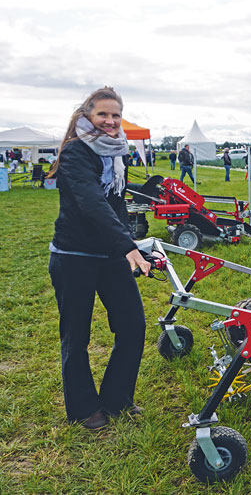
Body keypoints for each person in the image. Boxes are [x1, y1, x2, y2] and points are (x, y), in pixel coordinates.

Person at [46, 86, 151, 431]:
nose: (110, 121)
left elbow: (116, 203)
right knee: (76, 336)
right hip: (73, 256)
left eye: (115, 115)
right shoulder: (76, 152)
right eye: (103, 114)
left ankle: (117, 398)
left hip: (108, 254)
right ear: (87, 115)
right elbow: (92, 203)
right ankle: (83, 407)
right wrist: (128, 246)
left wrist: (133, 239)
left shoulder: (116, 152)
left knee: (132, 325)